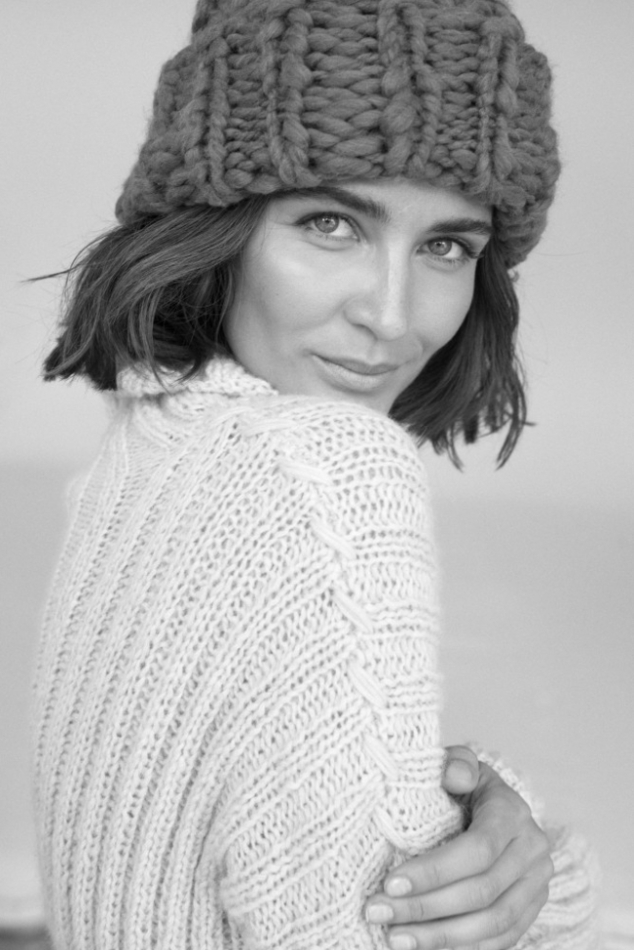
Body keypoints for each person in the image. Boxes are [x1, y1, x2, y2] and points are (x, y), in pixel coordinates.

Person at [31, 0, 599, 948]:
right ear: (218, 228)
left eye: (447, 246)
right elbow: (387, 926)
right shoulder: (326, 474)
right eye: (332, 223)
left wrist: (486, 809)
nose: (392, 314)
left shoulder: (142, 456)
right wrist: (547, 882)